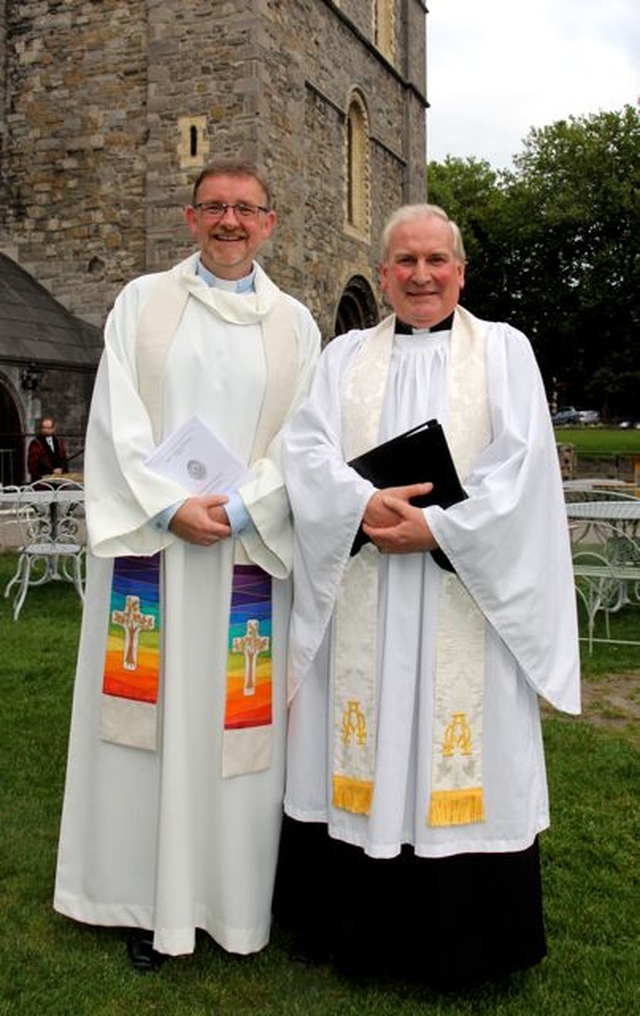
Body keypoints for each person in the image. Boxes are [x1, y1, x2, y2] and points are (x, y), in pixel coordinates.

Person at [275, 203, 580, 991]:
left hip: (460, 602)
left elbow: (522, 467)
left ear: (461, 270)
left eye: (435, 261)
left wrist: (443, 530)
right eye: (404, 261)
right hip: (367, 592)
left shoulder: (505, 352)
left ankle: (468, 945)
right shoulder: (344, 357)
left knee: (454, 752)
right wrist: (361, 508)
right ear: (382, 274)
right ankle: (354, 933)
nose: (420, 275)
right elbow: (304, 450)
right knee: (364, 741)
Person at [54, 158, 321, 969]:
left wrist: (242, 508)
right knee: (152, 726)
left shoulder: (297, 325)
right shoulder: (143, 302)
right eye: (215, 208)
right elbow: (116, 419)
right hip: (156, 555)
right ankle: (145, 901)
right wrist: (171, 506)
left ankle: (233, 902)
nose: (230, 222)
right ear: (190, 216)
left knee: (235, 734)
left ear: (270, 222)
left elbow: (304, 441)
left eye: (246, 209)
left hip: (246, 553)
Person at [27, 416, 69, 481]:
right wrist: (51, 471)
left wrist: (61, 469)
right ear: (41, 429)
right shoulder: (36, 444)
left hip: (59, 478)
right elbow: (34, 463)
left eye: (49, 428)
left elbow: (63, 458)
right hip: (42, 480)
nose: (46, 430)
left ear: (53, 429)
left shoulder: (59, 443)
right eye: (44, 428)